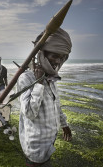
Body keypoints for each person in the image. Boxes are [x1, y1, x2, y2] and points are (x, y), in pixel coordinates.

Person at [17, 28, 72, 166]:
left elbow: (56, 106)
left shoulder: (51, 78)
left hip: (49, 143)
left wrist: (64, 124)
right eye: (54, 56)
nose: (57, 61)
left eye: (61, 57)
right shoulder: (27, 78)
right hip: (36, 147)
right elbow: (29, 113)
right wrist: (39, 84)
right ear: (43, 53)